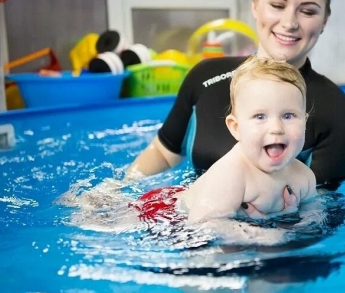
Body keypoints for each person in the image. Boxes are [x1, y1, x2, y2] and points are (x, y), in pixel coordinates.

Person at [126, 0, 345, 215]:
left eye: (307, 11)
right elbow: (163, 152)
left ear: (324, 21)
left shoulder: (338, 114)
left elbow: (322, 213)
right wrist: (116, 190)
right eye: (277, 5)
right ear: (255, 5)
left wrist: (264, 231)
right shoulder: (205, 76)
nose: (289, 22)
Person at [132, 56, 317, 223]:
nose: (276, 128)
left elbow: (313, 213)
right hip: (165, 212)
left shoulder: (304, 177)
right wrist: (257, 235)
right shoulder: (231, 176)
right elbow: (203, 224)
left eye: (289, 116)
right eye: (260, 117)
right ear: (236, 128)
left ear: (305, 122)